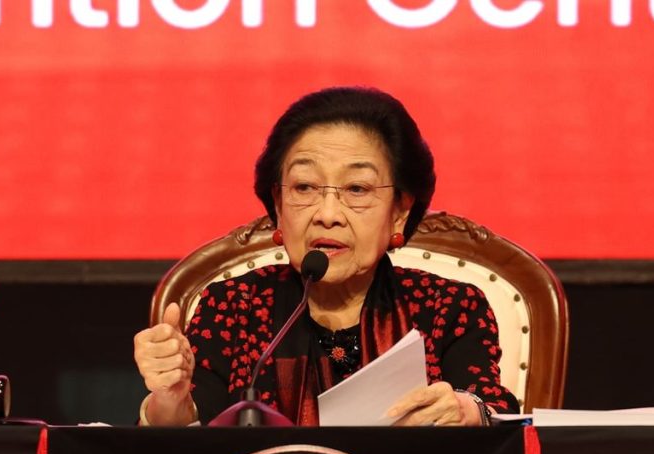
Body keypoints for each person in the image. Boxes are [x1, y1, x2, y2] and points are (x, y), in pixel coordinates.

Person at [134, 86, 519, 426]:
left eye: (357, 189)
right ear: (278, 203)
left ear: (400, 212)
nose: (328, 214)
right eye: (304, 187)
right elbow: (192, 439)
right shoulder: (234, 307)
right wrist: (170, 402)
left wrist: (467, 412)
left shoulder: (449, 307)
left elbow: (493, 411)